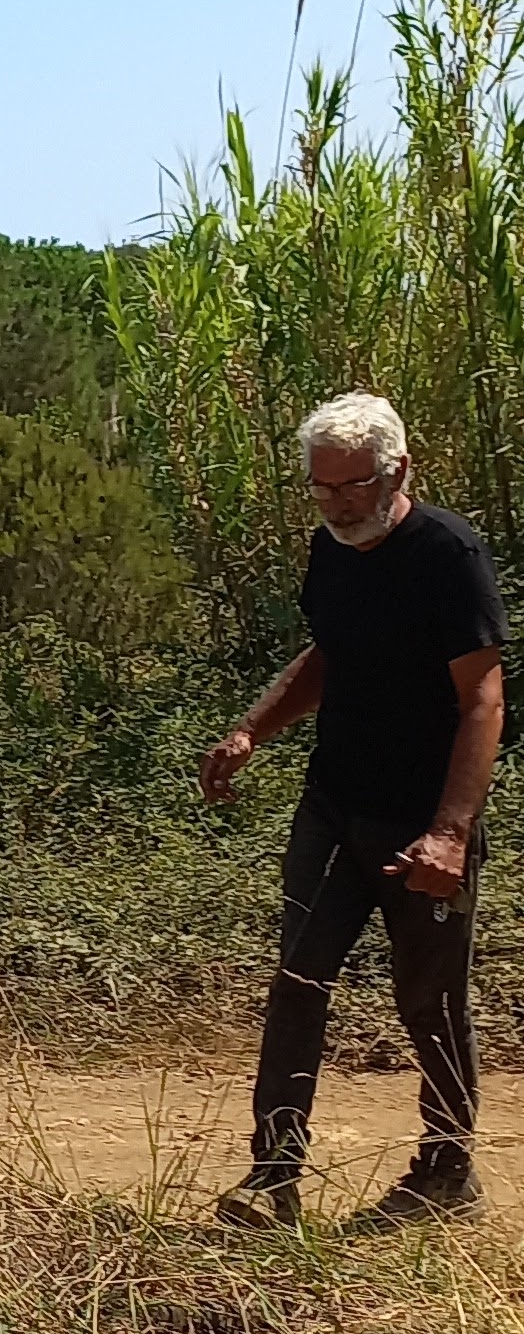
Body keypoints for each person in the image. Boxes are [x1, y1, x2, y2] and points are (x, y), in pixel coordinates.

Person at [201, 391, 505, 1223]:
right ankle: (273, 1178)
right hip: (334, 807)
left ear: (398, 471)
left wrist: (450, 833)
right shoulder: (330, 550)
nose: (337, 503)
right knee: (297, 982)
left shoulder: (447, 553)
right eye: (322, 486)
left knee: (429, 1000)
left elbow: (483, 698)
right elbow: (330, 653)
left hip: (421, 824)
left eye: (354, 484)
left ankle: (447, 1173)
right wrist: (251, 730)